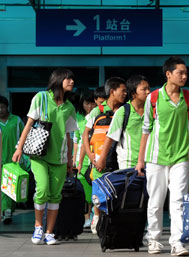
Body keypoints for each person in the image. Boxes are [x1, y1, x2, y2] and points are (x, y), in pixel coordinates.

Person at [136, 56, 189, 257]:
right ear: (168, 74)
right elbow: (146, 129)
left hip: (181, 156)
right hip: (156, 157)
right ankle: (154, 239)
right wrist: (140, 160)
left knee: (178, 200)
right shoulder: (153, 98)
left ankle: (177, 241)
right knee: (156, 200)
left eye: (186, 73)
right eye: (180, 72)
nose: (184, 76)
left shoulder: (188, 97)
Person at [12, 68, 78, 245]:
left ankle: (49, 232)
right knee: (42, 189)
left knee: (55, 195)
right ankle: (38, 226)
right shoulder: (41, 98)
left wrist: (70, 160)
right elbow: (29, 124)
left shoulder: (69, 106)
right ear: (58, 80)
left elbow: (69, 135)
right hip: (39, 154)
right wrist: (19, 148)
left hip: (61, 157)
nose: (72, 82)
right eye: (68, 79)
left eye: (72, 79)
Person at [82, 77, 127, 234]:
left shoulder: (124, 110)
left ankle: (114, 221)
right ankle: (97, 217)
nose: (125, 93)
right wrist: (91, 155)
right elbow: (85, 135)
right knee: (98, 189)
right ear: (112, 91)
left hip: (118, 157)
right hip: (99, 159)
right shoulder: (97, 111)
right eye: (123, 90)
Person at [96, 75, 149, 171]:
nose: (148, 92)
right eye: (144, 89)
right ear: (133, 93)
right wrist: (102, 159)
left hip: (149, 161)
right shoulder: (123, 111)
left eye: (148, 89)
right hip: (128, 162)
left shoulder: (151, 110)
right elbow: (111, 136)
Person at [73, 90, 96, 228]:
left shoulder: (99, 115)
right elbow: (76, 141)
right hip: (82, 159)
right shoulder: (78, 118)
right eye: (86, 103)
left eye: (92, 103)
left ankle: (95, 215)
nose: (89, 106)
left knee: (96, 189)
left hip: (95, 157)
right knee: (85, 191)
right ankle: (87, 218)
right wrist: (75, 160)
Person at [0, 95, 24, 224]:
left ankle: (9, 209)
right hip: (1, 160)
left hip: (14, 159)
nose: (0, 110)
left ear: (7, 107)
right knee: (3, 186)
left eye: (2, 107)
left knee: (13, 186)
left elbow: (24, 136)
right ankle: (7, 210)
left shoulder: (16, 120)